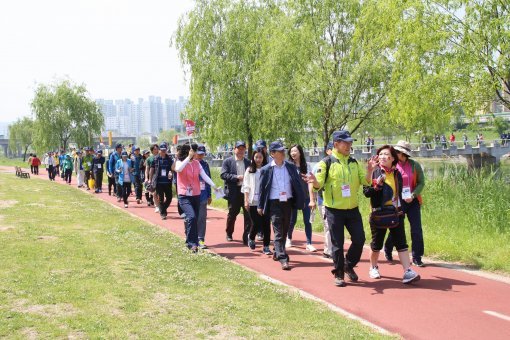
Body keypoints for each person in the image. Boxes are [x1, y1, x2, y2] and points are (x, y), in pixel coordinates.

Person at [306, 130, 375, 287]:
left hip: (352, 209)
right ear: (336, 143)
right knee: (337, 243)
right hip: (334, 210)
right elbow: (319, 185)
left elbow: (365, 182)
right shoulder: (326, 163)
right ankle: (339, 274)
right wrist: (314, 182)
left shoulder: (353, 162)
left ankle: (348, 265)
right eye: (346, 142)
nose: (349, 145)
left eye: (350, 143)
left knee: (359, 239)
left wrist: (370, 171)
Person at [363, 145, 421, 284]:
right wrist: (376, 185)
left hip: (396, 213)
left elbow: (398, 193)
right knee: (377, 244)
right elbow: (366, 193)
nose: (382, 156)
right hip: (379, 214)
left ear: (393, 158)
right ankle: (373, 267)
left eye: (386, 154)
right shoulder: (375, 172)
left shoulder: (396, 173)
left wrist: (402, 204)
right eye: (380, 154)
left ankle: (407, 271)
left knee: (401, 243)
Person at [258, 141, 305, 270]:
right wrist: (260, 205)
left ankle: (277, 252)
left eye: (283, 150)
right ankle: (283, 258)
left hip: (288, 202)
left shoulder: (290, 166)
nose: (283, 152)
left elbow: (296, 183)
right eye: (279, 151)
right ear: (272, 154)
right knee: (278, 230)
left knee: (284, 230)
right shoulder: (266, 169)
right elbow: (262, 189)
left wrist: (301, 199)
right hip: (274, 203)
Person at [384, 140, 426, 267]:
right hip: (399, 201)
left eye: (398, 152)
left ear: (403, 154)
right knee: (397, 227)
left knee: (416, 229)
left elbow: (421, 182)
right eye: (395, 151)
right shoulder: (393, 166)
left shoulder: (415, 165)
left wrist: (413, 195)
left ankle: (417, 257)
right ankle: (388, 248)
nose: (396, 153)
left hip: (412, 200)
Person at [174, 144, 217, 252]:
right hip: (184, 196)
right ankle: (191, 243)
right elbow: (178, 169)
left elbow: (205, 176)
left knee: (195, 219)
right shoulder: (180, 162)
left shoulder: (197, 163)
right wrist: (188, 158)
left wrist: (214, 186)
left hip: (196, 195)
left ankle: (193, 242)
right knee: (191, 217)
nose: (195, 153)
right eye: (192, 151)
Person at [220, 141, 251, 243]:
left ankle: (246, 236)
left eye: (243, 149)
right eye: (239, 148)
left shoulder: (248, 162)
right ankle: (229, 233)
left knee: (248, 215)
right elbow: (223, 175)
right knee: (232, 214)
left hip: (245, 191)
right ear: (234, 149)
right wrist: (237, 177)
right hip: (234, 191)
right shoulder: (228, 161)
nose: (241, 151)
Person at [287, 144, 316, 252]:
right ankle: (288, 238)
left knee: (307, 221)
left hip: (305, 197)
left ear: (300, 152)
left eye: (295, 151)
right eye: (291, 151)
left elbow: (310, 183)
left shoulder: (306, 165)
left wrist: (312, 199)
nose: (293, 153)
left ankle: (309, 243)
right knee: (292, 220)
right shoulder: (288, 166)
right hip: (293, 198)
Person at [242, 147, 271, 254]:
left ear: (264, 158)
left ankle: (266, 246)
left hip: (265, 201)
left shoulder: (267, 169)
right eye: (256, 157)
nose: (258, 159)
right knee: (256, 223)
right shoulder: (249, 170)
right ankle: (251, 237)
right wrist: (246, 200)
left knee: (266, 224)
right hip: (253, 201)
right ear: (253, 158)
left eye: (260, 157)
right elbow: (246, 186)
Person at [309, 142, 334, 258]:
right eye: (333, 149)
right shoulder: (320, 165)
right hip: (323, 201)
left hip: (338, 202)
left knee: (335, 226)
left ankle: (333, 248)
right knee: (328, 225)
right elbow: (311, 182)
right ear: (328, 151)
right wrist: (312, 199)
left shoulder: (340, 164)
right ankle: (328, 250)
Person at [149, 143, 173, 220]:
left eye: (164, 150)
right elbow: (152, 170)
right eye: (162, 150)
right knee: (161, 198)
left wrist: (171, 172)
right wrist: (150, 180)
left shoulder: (169, 159)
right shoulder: (155, 159)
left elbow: (172, 169)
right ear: (159, 150)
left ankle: (162, 208)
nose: (163, 151)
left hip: (167, 182)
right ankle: (163, 214)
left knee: (169, 198)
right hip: (159, 182)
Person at [194, 144, 212, 249]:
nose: (200, 156)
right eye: (199, 154)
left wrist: (209, 195)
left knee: (202, 218)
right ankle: (191, 237)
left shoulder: (205, 165)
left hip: (203, 195)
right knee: (192, 217)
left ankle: (201, 238)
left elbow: (208, 179)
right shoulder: (191, 164)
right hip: (192, 194)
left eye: (202, 154)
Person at [145, 144, 160, 211]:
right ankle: (157, 206)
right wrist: (146, 178)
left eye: (157, 149)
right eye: (155, 149)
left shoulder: (161, 157)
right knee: (154, 192)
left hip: (160, 177)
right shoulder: (149, 159)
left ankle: (159, 204)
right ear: (152, 150)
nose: (156, 150)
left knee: (160, 192)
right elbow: (147, 169)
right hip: (153, 177)